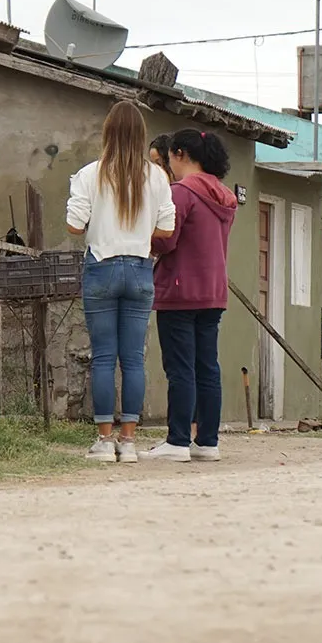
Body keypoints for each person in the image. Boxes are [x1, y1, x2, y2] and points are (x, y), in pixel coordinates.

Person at [67, 101, 176, 463]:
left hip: (101, 265)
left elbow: (73, 225)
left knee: (102, 357)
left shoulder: (90, 174)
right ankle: (128, 441)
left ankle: (104, 440)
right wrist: (139, 230)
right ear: (142, 136)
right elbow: (167, 228)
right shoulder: (157, 177)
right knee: (132, 359)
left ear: (108, 133)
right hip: (141, 268)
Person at [143, 129, 237, 463]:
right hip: (213, 291)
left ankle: (178, 440)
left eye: (170, 156)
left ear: (180, 154)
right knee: (207, 367)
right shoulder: (224, 195)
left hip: (180, 290)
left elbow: (167, 240)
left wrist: (143, 236)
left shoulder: (181, 193)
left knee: (180, 368)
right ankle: (207, 441)